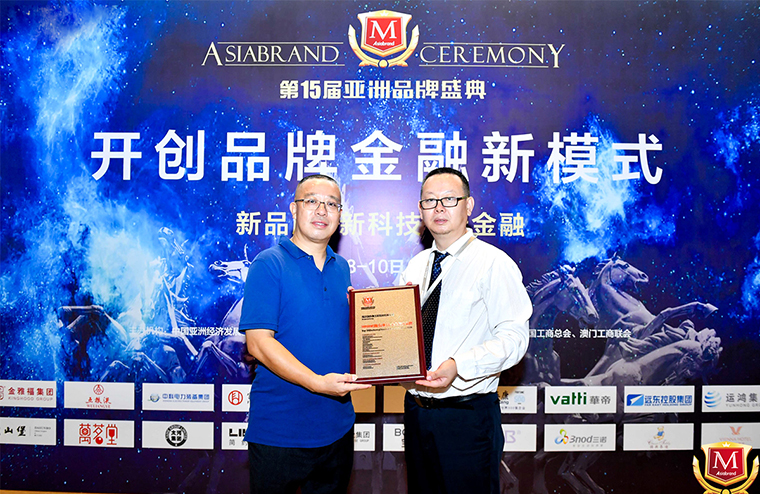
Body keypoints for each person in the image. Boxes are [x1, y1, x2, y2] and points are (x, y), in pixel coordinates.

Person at [399, 167, 532, 494]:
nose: (439, 208)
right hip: (417, 413)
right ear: (420, 209)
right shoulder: (416, 266)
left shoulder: (493, 263)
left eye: (449, 199)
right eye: (430, 200)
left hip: (466, 417)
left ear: (469, 205)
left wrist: (459, 365)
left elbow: (514, 339)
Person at [238, 174, 370, 494]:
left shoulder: (341, 267)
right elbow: (258, 343)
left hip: (337, 427)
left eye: (332, 204)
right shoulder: (269, 264)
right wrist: (316, 382)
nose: (322, 210)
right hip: (280, 433)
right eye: (312, 201)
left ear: (340, 214)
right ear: (294, 209)